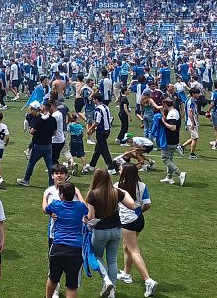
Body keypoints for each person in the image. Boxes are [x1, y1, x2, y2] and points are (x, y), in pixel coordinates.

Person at [86, 168, 137, 298]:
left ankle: (106, 280)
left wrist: (84, 219)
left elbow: (91, 217)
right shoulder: (116, 192)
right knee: (112, 260)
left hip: (100, 231)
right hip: (117, 230)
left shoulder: (93, 194)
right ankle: (112, 291)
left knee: (97, 256)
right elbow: (132, 205)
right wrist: (124, 191)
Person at [114, 165, 157, 297]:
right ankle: (126, 274)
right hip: (139, 220)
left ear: (125, 173)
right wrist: (139, 212)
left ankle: (148, 280)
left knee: (134, 251)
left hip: (127, 222)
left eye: (121, 169)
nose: (119, 170)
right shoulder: (142, 185)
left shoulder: (117, 186)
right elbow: (148, 204)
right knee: (126, 246)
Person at [45, 182, 88, 298]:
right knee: (72, 285)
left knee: (53, 278)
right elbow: (86, 208)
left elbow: (45, 208)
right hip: (76, 250)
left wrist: (45, 197)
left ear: (61, 195)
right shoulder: (80, 207)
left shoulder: (56, 205)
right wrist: (79, 194)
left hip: (58, 247)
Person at [17, 102, 56, 186]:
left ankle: (26, 180)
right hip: (48, 145)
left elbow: (32, 132)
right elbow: (54, 133)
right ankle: (52, 183)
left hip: (38, 145)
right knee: (50, 166)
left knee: (31, 163)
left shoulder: (38, 119)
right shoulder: (52, 119)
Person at [84, 94, 113, 173]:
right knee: (98, 149)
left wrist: (90, 129)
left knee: (104, 150)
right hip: (107, 130)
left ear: (96, 100)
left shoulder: (98, 109)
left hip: (101, 131)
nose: (93, 101)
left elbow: (97, 122)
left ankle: (111, 167)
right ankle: (92, 165)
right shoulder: (106, 107)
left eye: (94, 100)